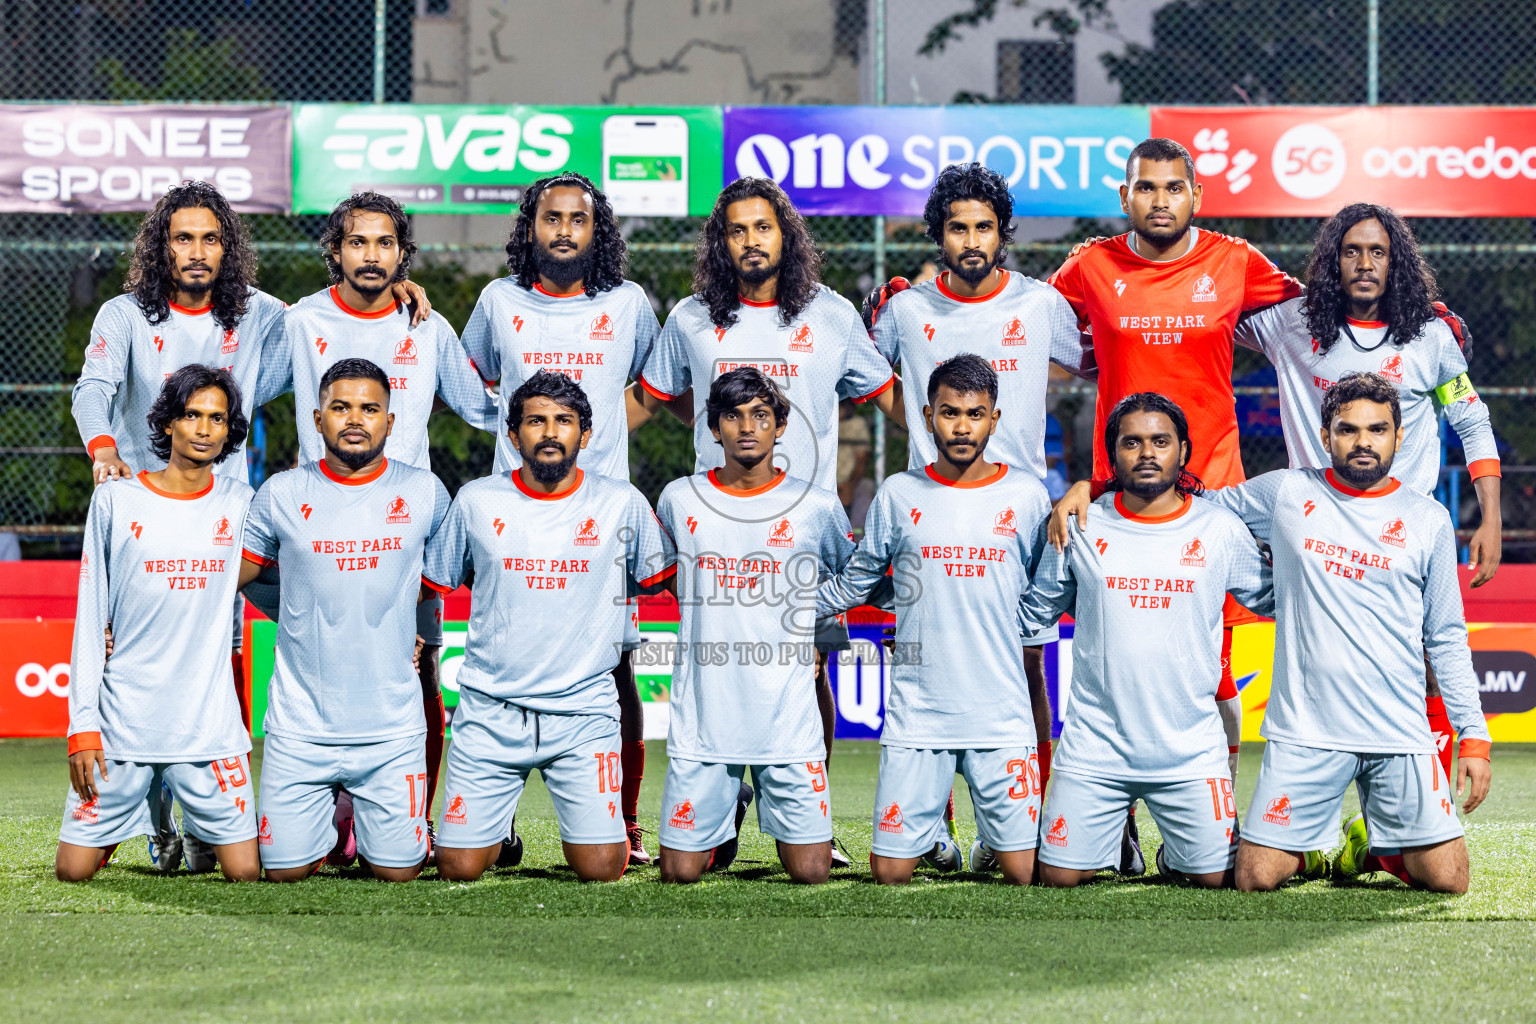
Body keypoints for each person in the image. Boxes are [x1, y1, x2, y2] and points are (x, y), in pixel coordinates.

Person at [637, 177, 900, 865]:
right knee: (720, 670)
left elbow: (890, 398)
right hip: (718, 528)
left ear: (786, 234)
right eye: (736, 230)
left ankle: (813, 815)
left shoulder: (832, 314)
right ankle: (719, 809)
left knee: (813, 671)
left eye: (763, 227)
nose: (751, 240)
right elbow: (653, 398)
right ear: (720, 243)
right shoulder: (692, 317)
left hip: (802, 533)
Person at [255, 191, 498, 859]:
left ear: (401, 254)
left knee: (419, 676)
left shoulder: (427, 327)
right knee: (320, 671)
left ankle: (408, 820)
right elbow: (245, 389)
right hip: (318, 536)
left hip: (406, 537)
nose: (371, 255)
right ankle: (331, 822)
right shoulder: (302, 323)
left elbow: (483, 409)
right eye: (357, 243)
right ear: (335, 251)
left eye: (384, 244)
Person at [1233, 203, 1503, 794]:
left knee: (1428, 653)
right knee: (1320, 667)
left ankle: (1424, 800)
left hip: (1405, 533)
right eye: (1350, 251)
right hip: (1317, 529)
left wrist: (1490, 518)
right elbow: (1209, 311)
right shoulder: (1292, 325)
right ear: (1332, 262)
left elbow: (1473, 423)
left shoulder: (1430, 337)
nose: (1364, 263)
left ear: (1395, 261)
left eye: (1377, 251)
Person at [1199, 373, 1491, 893]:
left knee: (1449, 881)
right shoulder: (1287, 491)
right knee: (1254, 878)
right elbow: (1203, 514)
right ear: (1324, 434)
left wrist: (1475, 735)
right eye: (1348, 429)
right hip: (1306, 730)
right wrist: (1269, 587)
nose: (1363, 442)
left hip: (1398, 731)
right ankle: (1308, 854)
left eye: (1377, 430)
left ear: (1399, 437)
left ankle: (1364, 842)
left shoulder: (1428, 520)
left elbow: (1446, 635)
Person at [863, 161, 1091, 815]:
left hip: (1019, 520)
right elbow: (870, 378)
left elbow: (1098, 364)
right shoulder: (905, 310)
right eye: (958, 228)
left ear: (1002, 233)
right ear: (939, 234)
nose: (971, 241)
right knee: (925, 673)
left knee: (1026, 668)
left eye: (984, 228)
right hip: (929, 515)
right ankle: (930, 824)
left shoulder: (1042, 305)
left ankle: (1040, 813)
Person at [460, 172, 670, 865]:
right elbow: (471, 386)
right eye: (551, 218)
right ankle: (499, 820)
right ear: (531, 227)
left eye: (577, 220)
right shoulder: (497, 301)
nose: (563, 231)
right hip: (516, 517)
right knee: (504, 659)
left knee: (616, 666)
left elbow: (651, 387)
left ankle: (625, 819)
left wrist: (604, 440)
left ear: (595, 230)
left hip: (598, 520)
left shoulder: (629, 304)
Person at [423, 372, 676, 883]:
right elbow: (431, 580)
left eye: (564, 421)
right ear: (513, 436)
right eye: (536, 421)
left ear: (586, 435)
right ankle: (495, 829)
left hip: (582, 714)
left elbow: (667, 579)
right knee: (458, 868)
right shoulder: (476, 500)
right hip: (492, 710)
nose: (550, 432)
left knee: (603, 868)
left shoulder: (621, 502)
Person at [1022, 393, 1271, 888]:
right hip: (1096, 746)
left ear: (1183, 450)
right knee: (1057, 878)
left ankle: (1176, 855)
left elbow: (1274, 599)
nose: (1147, 453)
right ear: (1112, 455)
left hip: (1191, 748)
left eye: (1160, 441)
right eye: (1131, 442)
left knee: (1218, 880)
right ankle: (1113, 834)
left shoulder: (1220, 529)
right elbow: (1033, 612)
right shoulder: (1079, 525)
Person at [817, 355, 1051, 885]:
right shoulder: (899, 494)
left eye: (975, 414)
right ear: (927, 416)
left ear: (995, 418)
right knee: (890, 873)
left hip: (999, 715)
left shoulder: (1027, 497)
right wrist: (794, 606)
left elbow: (1046, 589)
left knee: (1028, 874)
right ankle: (934, 834)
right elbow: (860, 579)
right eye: (949, 413)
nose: (962, 427)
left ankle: (994, 837)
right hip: (918, 715)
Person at [238, 359, 451, 882]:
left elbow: (441, 576)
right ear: (317, 419)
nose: (355, 419)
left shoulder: (425, 492)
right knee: (285, 872)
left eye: (369, 408)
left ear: (390, 421)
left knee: (397, 872)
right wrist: (295, 612)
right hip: (300, 729)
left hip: (391, 730)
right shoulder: (281, 494)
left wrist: (417, 627)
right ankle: (332, 821)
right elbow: (231, 578)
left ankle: (363, 817)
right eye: (340, 407)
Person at [653, 368, 855, 884]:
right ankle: (727, 807)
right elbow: (661, 577)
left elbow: (849, 576)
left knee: (811, 873)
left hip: (786, 717)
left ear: (780, 425)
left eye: (761, 415)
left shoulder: (815, 504)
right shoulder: (679, 499)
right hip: (706, 716)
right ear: (714, 427)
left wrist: (813, 631)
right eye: (734, 415)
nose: (748, 427)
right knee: (680, 874)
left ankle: (751, 802)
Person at [58, 365, 259, 882]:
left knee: (245, 873)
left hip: (206, 726)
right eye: (192, 414)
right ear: (168, 422)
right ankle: (158, 819)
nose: (203, 428)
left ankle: (178, 810)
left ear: (229, 430)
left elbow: (283, 579)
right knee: (73, 872)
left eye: (217, 418)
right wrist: (82, 726)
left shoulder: (241, 505)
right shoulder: (117, 500)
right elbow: (89, 619)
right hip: (125, 722)